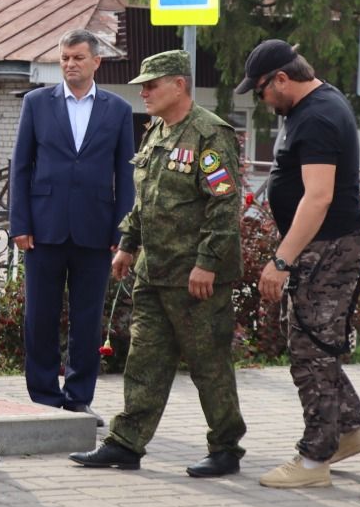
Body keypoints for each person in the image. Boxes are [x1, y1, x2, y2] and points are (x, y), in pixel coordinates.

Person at [68, 50, 246, 476]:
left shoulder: (209, 134)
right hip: (154, 270)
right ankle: (126, 442)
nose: (143, 92)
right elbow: (145, 200)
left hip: (196, 277)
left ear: (179, 84)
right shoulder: (156, 134)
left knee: (208, 364)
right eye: (142, 85)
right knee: (144, 360)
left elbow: (223, 206)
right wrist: (128, 245)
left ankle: (225, 448)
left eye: (151, 84)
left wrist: (207, 263)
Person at [237, 39, 360, 490]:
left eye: (260, 90)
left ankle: (315, 459)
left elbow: (319, 197)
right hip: (326, 243)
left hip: (326, 246)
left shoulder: (316, 116)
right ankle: (347, 430)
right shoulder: (317, 106)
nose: (261, 100)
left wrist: (281, 259)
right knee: (318, 343)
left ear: (281, 78)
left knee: (310, 349)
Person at [11, 29, 136, 422]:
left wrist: (123, 232)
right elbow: (21, 165)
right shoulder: (36, 103)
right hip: (43, 229)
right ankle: (44, 397)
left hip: (96, 231)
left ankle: (79, 397)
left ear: (96, 61)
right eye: (65, 58)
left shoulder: (117, 110)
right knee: (40, 317)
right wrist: (20, 223)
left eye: (78, 57)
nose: (70, 64)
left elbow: (125, 175)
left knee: (87, 318)